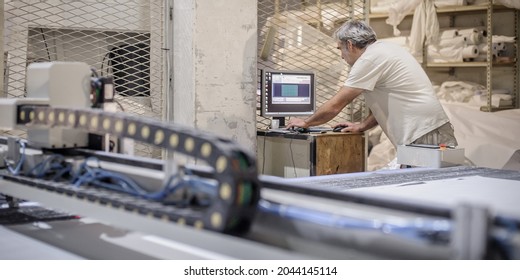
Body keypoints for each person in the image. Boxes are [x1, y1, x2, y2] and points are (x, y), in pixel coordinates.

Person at [286, 19, 457, 149]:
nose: (341, 56)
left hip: (424, 132)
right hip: (427, 129)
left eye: (340, 49)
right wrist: (362, 125)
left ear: (350, 45)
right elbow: (389, 99)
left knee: (427, 188)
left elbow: (335, 105)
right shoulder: (384, 49)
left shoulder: (369, 59)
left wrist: (306, 123)